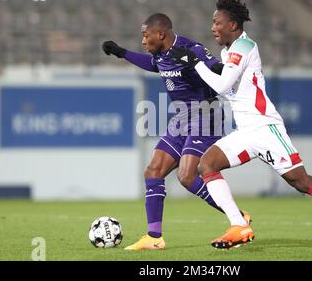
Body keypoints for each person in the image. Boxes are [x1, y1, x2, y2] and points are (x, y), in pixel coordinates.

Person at [170, 0, 312, 253]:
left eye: (217, 22)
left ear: (233, 25)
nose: (212, 27)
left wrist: (194, 62)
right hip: (246, 132)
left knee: (301, 182)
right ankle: (239, 225)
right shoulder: (228, 52)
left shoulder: (244, 46)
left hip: (265, 128)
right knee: (207, 164)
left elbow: (223, 86)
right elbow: (225, 85)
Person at [102, 13, 251, 250]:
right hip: (181, 119)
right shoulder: (160, 55)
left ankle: (238, 218)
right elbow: (153, 65)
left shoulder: (191, 48)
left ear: (160, 34)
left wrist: (235, 71)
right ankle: (154, 238)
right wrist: (122, 52)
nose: (143, 41)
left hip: (206, 116)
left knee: (187, 176)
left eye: (145, 36)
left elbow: (219, 69)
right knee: (153, 171)